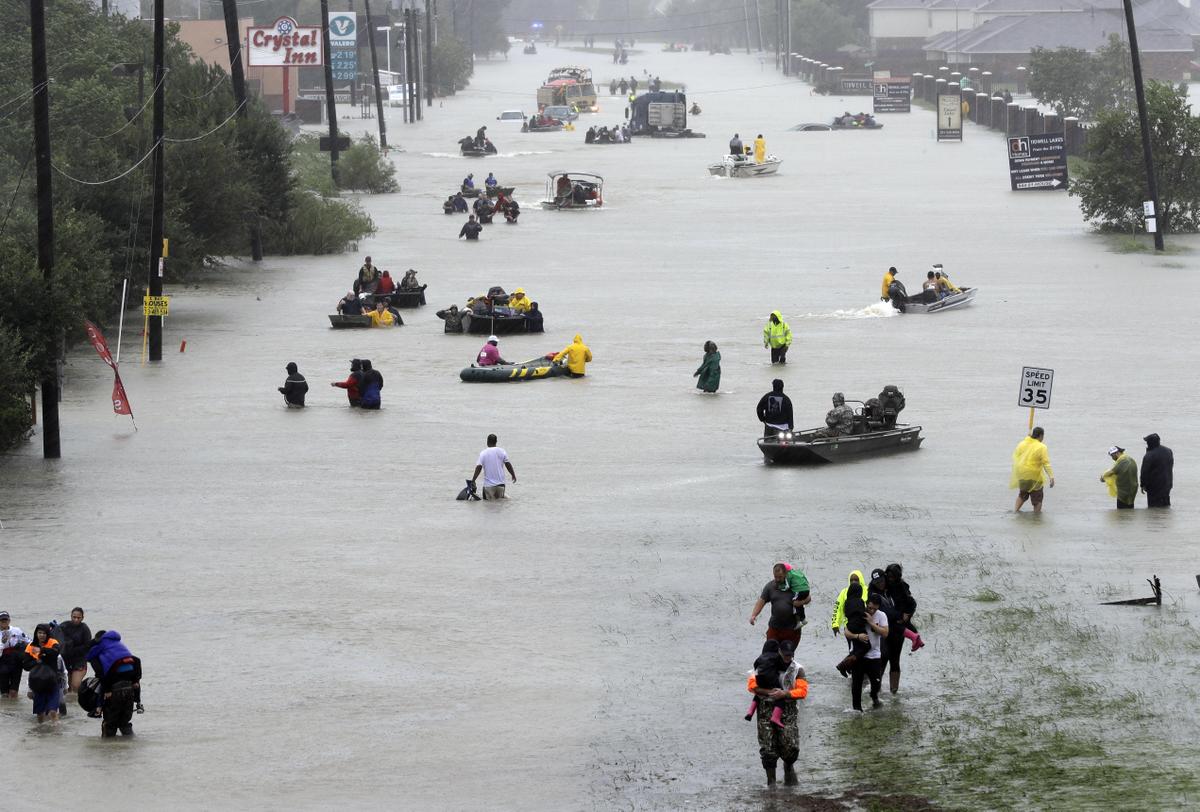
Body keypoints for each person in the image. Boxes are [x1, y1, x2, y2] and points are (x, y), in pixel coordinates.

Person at [746, 639, 806, 786]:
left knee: (790, 747)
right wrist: (770, 692)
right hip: (765, 708)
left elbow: (803, 691)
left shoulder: (798, 669)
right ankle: (771, 784)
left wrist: (785, 694)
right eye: (785, 655)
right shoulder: (763, 663)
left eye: (790, 655)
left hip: (788, 709)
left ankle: (788, 766)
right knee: (768, 749)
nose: (788, 658)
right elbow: (751, 686)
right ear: (779, 652)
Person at [87, 630, 142, 737]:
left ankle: (108, 750)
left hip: (114, 689)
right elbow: (136, 660)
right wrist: (136, 681)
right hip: (130, 687)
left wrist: (107, 690)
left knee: (110, 724)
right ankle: (131, 747)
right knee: (124, 723)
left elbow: (101, 675)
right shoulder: (120, 646)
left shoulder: (97, 651)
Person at [748, 562, 809, 647]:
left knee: (786, 657)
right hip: (774, 628)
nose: (777, 579)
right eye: (775, 576)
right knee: (769, 655)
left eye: (780, 577)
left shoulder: (795, 585)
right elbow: (761, 601)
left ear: (786, 574)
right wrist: (754, 615)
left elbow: (808, 598)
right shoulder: (770, 586)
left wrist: (800, 602)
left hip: (792, 629)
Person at [845, 594, 888, 711]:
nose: (872, 610)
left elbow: (885, 633)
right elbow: (846, 632)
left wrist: (871, 622)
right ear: (866, 604)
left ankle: (874, 696)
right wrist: (857, 636)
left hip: (875, 655)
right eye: (870, 607)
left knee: (876, 683)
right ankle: (857, 709)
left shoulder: (881, 615)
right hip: (859, 655)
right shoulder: (859, 614)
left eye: (875, 608)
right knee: (856, 684)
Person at [881, 563, 920, 693]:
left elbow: (912, 604)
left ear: (897, 577)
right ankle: (876, 688)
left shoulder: (902, 588)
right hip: (885, 627)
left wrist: (906, 617)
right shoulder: (882, 585)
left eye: (893, 577)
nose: (890, 579)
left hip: (898, 629)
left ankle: (893, 690)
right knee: (882, 656)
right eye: (888, 576)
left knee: (895, 659)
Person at [23, 624, 66, 723]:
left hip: (53, 681)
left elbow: (56, 652)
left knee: (52, 712)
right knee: (40, 713)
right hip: (37, 682)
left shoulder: (53, 642)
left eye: (44, 633)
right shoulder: (30, 646)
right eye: (39, 633)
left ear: (48, 634)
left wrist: (41, 650)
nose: (42, 635)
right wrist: (37, 662)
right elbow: (25, 665)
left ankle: (56, 734)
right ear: (36, 634)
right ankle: (40, 733)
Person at [1011, 426, 1054, 512]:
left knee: (1022, 495)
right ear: (1041, 436)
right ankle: (1036, 517)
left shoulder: (1022, 443)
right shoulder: (1042, 447)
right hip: (1034, 477)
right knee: (1037, 499)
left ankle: (1015, 511)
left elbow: (1016, 456)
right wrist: (1051, 477)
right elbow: (1046, 463)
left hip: (1022, 474)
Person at [58, 607, 91, 696]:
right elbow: (56, 639)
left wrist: (73, 649)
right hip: (66, 659)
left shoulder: (85, 628)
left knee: (75, 686)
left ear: (82, 618)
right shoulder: (64, 626)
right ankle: (70, 708)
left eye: (78, 618)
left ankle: (78, 705)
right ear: (71, 616)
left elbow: (88, 646)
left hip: (79, 660)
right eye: (74, 617)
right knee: (67, 688)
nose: (76, 619)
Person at [471, 434, 516, 499]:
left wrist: (473, 480)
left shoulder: (483, 453)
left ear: (487, 441)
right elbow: (507, 464)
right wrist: (513, 475)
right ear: (496, 442)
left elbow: (479, 467)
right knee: (499, 505)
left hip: (488, 486)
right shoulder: (502, 451)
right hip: (501, 485)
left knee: (487, 506)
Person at [830, 570, 868, 641]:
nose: (853, 582)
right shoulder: (844, 592)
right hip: (849, 627)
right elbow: (837, 609)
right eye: (851, 580)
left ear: (861, 580)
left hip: (866, 626)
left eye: (856, 580)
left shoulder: (868, 591)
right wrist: (835, 624)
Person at [0, 612, 28, 698]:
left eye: (6, 620)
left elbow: (27, 641)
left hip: (16, 660)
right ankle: (6, 711)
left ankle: (14, 709)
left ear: (9, 620)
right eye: (2, 620)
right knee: (4, 693)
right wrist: (2, 643)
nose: (4, 622)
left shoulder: (17, 630)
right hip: (2, 661)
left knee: (13, 692)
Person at [1141, 433, 1173, 507]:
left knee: (1154, 507)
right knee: (1165, 505)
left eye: (1147, 442)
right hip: (1167, 483)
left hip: (1154, 486)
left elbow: (1144, 472)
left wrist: (1143, 485)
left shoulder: (1149, 455)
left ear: (1150, 443)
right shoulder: (1168, 451)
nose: (1146, 443)